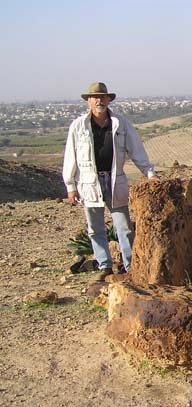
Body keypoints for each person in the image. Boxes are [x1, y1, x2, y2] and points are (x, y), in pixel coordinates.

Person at [63, 82, 159, 280]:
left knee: (123, 226)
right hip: (90, 183)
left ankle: (130, 266)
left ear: (108, 100)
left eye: (102, 97)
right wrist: (70, 186)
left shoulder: (120, 123)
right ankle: (104, 266)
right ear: (89, 101)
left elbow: (136, 149)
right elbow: (70, 157)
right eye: (95, 97)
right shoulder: (78, 126)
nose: (99, 100)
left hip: (115, 180)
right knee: (95, 228)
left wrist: (149, 173)